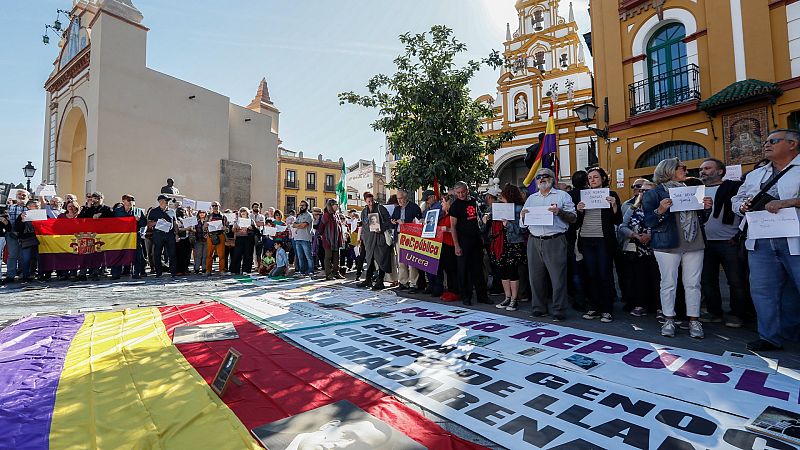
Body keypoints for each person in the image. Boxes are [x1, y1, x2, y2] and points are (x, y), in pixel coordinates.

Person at [733, 128, 800, 351]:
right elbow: (737, 199)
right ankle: (769, 336)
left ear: (792, 144)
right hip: (760, 239)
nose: (766, 145)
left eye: (774, 141)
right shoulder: (755, 175)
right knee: (763, 289)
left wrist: (790, 202)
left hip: (795, 238)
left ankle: (791, 331)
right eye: (766, 142)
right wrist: (740, 207)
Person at [643, 158, 713, 339]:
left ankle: (694, 320)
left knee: (693, 284)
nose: (685, 169)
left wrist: (706, 209)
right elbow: (649, 221)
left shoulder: (691, 190)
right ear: (669, 170)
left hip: (694, 241)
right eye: (681, 167)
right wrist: (660, 210)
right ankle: (669, 319)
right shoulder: (654, 193)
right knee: (668, 283)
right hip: (666, 243)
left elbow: (701, 219)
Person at [699, 158, 755, 328]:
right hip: (704, 243)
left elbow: (745, 213)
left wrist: (738, 235)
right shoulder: (696, 191)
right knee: (708, 280)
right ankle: (714, 312)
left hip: (729, 242)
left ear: (720, 171)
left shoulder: (734, 188)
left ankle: (737, 314)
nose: (702, 171)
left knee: (736, 281)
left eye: (707, 168)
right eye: (701, 169)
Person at [521, 168, 576, 321]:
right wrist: (523, 216)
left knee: (558, 278)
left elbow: (573, 218)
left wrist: (559, 212)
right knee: (535, 278)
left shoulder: (563, 196)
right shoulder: (531, 198)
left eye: (546, 176)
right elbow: (523, 223)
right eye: (539, 177)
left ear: (552, 179)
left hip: (555, 240)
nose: (542, 179)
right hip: (534, 240)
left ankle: (559, 310)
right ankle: (539, 308)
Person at [576, 167, 623, 323]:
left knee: (605, 274)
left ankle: (607, 309)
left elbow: (618, 221)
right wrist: (579, 211)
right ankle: (594, 307)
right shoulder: (583, 196)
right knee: (591, 274)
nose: (592, 180)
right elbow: (576, 221)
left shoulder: (611, 195)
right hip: (586, 238)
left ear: (603, 178)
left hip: (603, 240)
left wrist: (614, 206)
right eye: (590, 178)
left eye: (596, 177)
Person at [619, 181, 660, 316]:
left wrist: (650, 235)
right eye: (642, 191)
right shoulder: (632, 208)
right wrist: (635, 235)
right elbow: (622, 226)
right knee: (638, 277)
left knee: (657, 278)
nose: (643, 193)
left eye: (647, 191)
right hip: (637, 248)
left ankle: (660, 306)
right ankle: (640, 304)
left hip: (656, 248)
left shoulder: (660, 208)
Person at [449, 181, 490, 305]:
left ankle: (482, 296)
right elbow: (453, 227)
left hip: (476, 240)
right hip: (462, 241)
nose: (461, 194)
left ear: (467, 190)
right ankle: (466, 296)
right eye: (458, 193)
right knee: (463, 270)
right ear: (455, 193)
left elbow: (481, 214)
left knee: (478, 269)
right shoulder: (455, 206)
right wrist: (456, 245)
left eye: (463, 192)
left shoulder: (475, 201)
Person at [491, 184, 527, 311]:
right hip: (502, 243)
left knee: (513, 272)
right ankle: (507, 297)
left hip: (514, 243)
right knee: (503, 271)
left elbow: (522, 230)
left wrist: (508, 225)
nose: (501, 198)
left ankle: (514, 299)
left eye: (503, 195)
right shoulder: (499, 208)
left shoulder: (518, 209)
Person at [357, 192, 393, 290]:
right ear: (365, 201)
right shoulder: (364, 211)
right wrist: (363, 238)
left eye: (372, 201)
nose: (371, 203)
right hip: (369, 240)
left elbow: (389, 221)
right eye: (369, 201)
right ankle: (368, 279)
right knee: (370, 260)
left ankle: (380, 281)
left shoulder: (380, 208)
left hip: (380, 238)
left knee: (381, 259)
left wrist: (381, 228)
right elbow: (364, 226)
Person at [391, 189, 423, 292]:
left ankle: (414, 283)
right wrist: (393, 221)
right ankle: (403, 282)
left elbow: (419, 222)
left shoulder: (414, 207)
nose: (399, 201)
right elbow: (392, 222)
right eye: (398, 199)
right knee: (401, 261)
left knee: (412, 261)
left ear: (406, 198)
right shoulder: (396, 209)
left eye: (401, 199)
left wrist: (405, 222)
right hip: (399, 236)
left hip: (411, 237)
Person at [111, 194, 147, 280]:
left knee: (137, 254)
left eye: (132, 200)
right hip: (121, 236)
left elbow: (144, 223)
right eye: (128, 200)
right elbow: (112, 223)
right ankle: (116, 273)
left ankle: (137, 272)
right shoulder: (117, 211)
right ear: (123, 201)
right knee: (118, 253)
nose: (130, 202)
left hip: (134, 235)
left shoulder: (138, 211)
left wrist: (139, 220)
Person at [3, 189, 30, 284]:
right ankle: (10, 275)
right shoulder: (9, 207)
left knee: (25, 256)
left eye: (24, 195)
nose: (21, 196)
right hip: (11, 234)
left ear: (28, 197)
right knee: (12, 255)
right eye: (19, 194)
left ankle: (24, 275)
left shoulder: (30, 209)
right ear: (16, 196)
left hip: (26, 235)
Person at [147, 194, 177, 277]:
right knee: (157, 253)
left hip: (170, 235)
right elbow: (149, 224)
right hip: (158, 235)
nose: (167, 203)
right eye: (165, 201)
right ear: (160, 202)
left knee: (172, 253)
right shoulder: (153, 211)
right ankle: (158, 272)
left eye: (167, 201)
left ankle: (173, 272)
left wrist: (177, 234)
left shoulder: (172, 211)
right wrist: (158, 222)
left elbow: (175, 223)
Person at [318, 199, 346, 280]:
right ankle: (328, 274)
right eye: (335, 204)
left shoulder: (336, 215)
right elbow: (321, 227)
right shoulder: (326, 215)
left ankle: (336, 272)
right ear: (330, 205)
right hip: (328, 240)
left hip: (336, 240)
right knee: (328, 257)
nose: (337, 206)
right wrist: (322, 236)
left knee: (337, 257)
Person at [14, 200, 41, 283]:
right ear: (28, 207)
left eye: (38, 206)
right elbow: (17, 228)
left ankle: (35, 274)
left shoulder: (43, 214)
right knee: (26, 259)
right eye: (35, 206)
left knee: (37, 258)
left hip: (40, 240)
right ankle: (25, 276)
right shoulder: (23, 215)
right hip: (27, 240)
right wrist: (22, 220)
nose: (37, 207)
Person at [292, 200, 314, 276]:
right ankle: (302, 272)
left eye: (303, 205)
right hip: (297, 238)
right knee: (300, 256)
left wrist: (299, 225)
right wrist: (299, 225)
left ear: (307, 206)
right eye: (300, 205)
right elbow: (293, 225)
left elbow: (304, 225)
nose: (301, 207)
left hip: (305, 238)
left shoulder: (309, 215)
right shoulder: (299, 215)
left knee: (308, 256)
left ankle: (311, 271)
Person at [204, 202, 227, 275]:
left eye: (216, 205)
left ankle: (222, 270)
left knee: (221, 254)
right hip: (211, 236)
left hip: (220, 235)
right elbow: (204, 228)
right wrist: (205, 225)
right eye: (213, 206)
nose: (214, 207)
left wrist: (225, 228)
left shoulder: (223, 216)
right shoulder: (208, 216)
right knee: (209, 254)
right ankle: (208, 270)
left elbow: (227, 228)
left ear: (219, 206)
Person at [231, 207, 256, 274]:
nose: (243, 213)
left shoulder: (251, 220)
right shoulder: (237, 221)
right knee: (237, 254)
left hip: (248, 239)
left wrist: (252, 228)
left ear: (247, 213)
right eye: (241, 212)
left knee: (248, 255)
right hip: (239, 238)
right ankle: (235, 270)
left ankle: (246, 270)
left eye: (244, 212)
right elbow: (233, 230)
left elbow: (256, 230)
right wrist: (235, 228)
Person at [174, 207, 193, 275]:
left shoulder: (186, 218)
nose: (183, 212)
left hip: (187, 238)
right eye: (181, 211)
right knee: (179, 255)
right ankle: (179, 270)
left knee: (187, 255)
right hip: (180, 239)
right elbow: (177, 229)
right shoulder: (176, 219)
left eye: (184, 211)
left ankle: (185, 269)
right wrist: (186, 229)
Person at [193, 210, 208, 274]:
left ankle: (204, 268)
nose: (202, 214)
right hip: (198, 240)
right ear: (198, 214)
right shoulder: (196, 222)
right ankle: (197, 268)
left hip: (206, 240)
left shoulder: (207, 222)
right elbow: (193, 230)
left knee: (205, 255)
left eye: (203, 213)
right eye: (200, 213)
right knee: (198, 255)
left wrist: (208, 234)